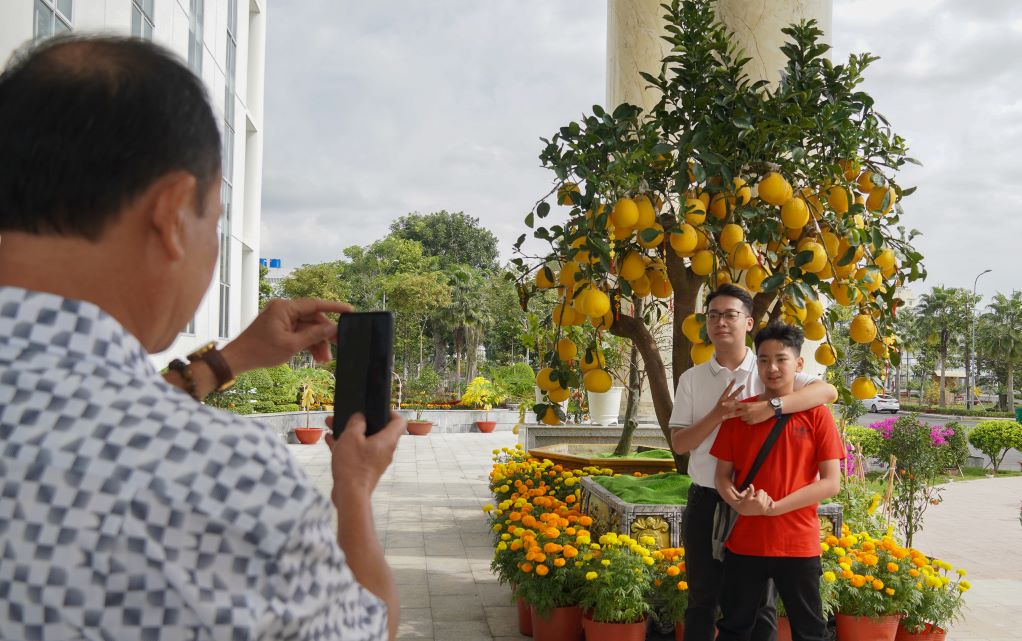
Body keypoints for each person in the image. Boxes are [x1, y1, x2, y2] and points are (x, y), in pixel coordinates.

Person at [0, 36, 404, 641]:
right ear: (169, 214)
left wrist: (230, 359)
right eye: (213, 219)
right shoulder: (226, 477)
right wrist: (354, 487)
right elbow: (369, 626)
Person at [669, 284, 837, 641]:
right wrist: (718, 414)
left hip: (765, 503)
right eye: (712, 316)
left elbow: (827, 392)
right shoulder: (692, 379)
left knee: (761, 604)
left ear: (748, 322)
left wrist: (771, 406)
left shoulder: (768, 362)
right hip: (711, 497)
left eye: (730, 315)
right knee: (702, 597)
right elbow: (680, 444)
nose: (720, 323)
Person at [711, 321, 844, 641]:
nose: (772, 367)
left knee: (810, 632)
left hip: (798, 544)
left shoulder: (817, 415)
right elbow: (721, 477)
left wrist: (772, 508)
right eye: (763, 359)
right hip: (744, 543)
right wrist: (740, 503)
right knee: (734, 630)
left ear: (798, 364)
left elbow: (830, 483)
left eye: (781, 359)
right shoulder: (741, 415)